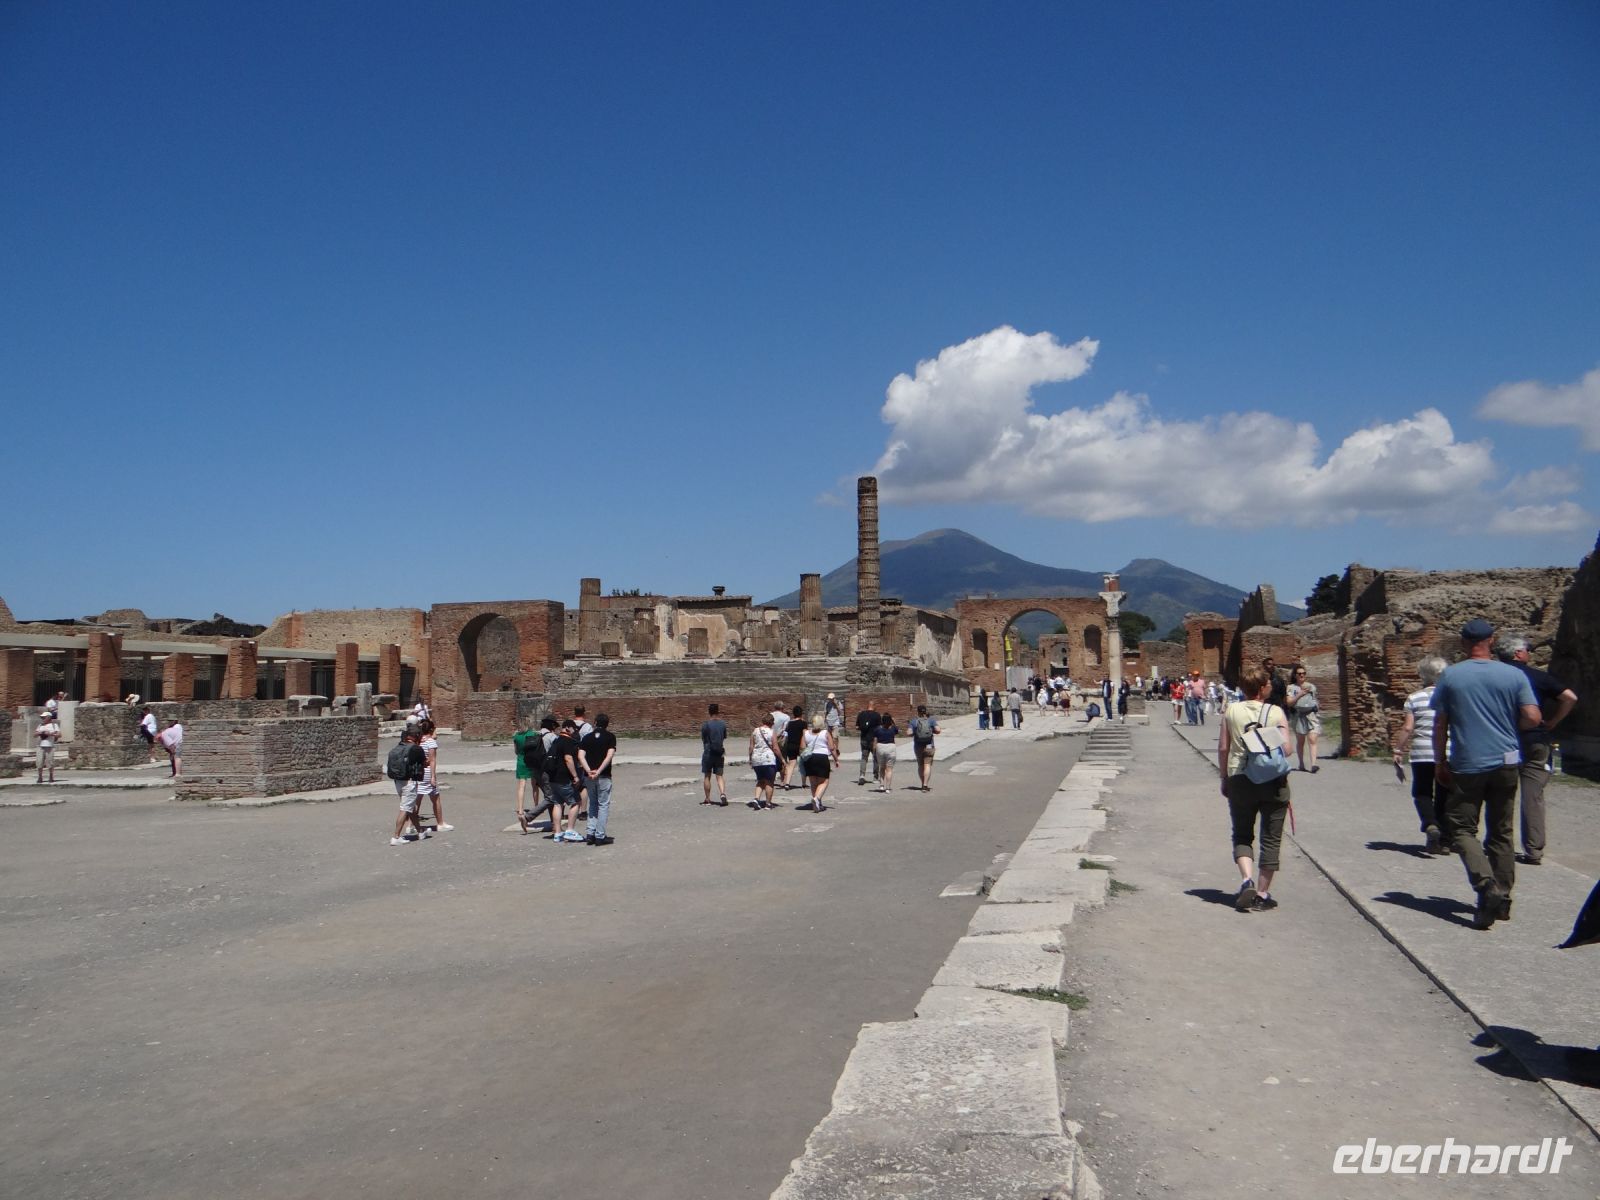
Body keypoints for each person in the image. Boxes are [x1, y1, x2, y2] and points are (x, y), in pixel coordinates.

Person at [1431, 618, 1541, 930]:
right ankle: (1504, 899)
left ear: (1464, 642)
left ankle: (1485, 886)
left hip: (1468, 763)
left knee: (1462, 829)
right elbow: (1533, 717)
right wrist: (1509, 728)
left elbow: (1440, 724)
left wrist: (1439, 761)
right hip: (1507, 761)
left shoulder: (1452, 676)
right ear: (1492, 641)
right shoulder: (1512, 674)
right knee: (1502, 831)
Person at [1496, 634, 1580, 866]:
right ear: (1518, 653)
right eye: (1527, 649)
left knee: (1500, 792)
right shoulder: (1536, 676)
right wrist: (1553, 721)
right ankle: (1533, 849)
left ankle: (1497, 843)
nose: (1529, 653)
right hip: (1534, 739)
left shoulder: (1492, 676)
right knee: (1532, 796)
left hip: (1501, 740)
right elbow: (1570, 697)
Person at [1216, 665, 1292, 912]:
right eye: (1268, 683)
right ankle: (1261, 894)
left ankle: (1246, 879)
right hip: (1272, 780)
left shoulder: (1231, 711)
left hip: (1240, 777)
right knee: (1271, 838)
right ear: (1261, 688)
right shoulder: (1276, 712)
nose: (1271, 686)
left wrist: (1225, 778)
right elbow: (1288, 750)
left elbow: (1224, 749)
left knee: (1242, 834)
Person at [1391, 656, 1451, 854]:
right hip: (1448, 751)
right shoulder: (1453, 698)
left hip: (1422, 752)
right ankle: (1442, 840)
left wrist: (1398, 749)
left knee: (1423, 792)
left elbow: (1408, 728)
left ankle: (1430, 825)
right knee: (1445, 794)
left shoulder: (1415, 698)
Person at [579, 713, 617, 845]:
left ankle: (590, 833)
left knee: (593, 803)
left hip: (589, 776)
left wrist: (589, 770)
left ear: (594, 723)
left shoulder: (587, 738)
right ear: (607, 724)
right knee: (603, 805)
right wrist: (599, 771)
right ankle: (600, 835)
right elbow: (609, 756)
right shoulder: (610, 737)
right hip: (604, 775)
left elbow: (581, 756)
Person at [546, 718, 585, 841]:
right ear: (568, 728)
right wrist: (575, 776)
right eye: (574, 729)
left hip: (553, 778)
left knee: (558, 804)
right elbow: (568, 759)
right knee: (575, 802)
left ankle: (557, 832)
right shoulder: (568, 741)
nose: (575, 732)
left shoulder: (556, 741)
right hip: (564, 778)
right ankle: (570, 830)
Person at [389, 729, 430, 845]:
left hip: (398, 781)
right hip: (409, 783)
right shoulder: (415, 749)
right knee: (405, 808)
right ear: (414, 737)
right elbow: (425, 762)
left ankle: (420, 831)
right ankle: (396, 837)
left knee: (411, 808)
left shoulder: (398, 747)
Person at [416, 720, 452, 833]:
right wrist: (433, 777)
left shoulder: (418, 741)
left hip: (417, 773)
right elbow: (432, 761)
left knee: (417, 800)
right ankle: (440, 823)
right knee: (436, 799)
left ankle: (411, 825)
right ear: (431, 730)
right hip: (426, 773)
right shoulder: (431, 742)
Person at [1285, 665, 1321, 772]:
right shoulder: (1291, 688)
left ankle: (1314, 764)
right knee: (1301, 741)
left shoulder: (1311, 686)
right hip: (1298, 715)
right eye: (1299, 673)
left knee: (1312, 739)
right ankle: (1301, 763)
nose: (1302, 675)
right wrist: (1299, 695)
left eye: (1303, 673)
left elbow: (1315, 699)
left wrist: (1316, 706)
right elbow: (1289, 703)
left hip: (1311, 715)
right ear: (1295, 675)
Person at [800, 715, 838, 812]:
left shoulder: (806, 733)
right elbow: (831, 747)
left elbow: (802, 747)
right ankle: (816, 798)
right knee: (824, 781)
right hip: (821, 758)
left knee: (813, 782)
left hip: (810, 758)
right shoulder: (825, 733)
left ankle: (817, 803)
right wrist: (836, 759)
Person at [513, 715, 544, 831]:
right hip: (532, 760)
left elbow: (516, 751)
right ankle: (536, 808)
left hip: (521, 761)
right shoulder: (533, 734)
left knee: (521, 786)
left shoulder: (516, 736)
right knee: (535, 786)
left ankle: (520, 810)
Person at [749, 712, 781, 810]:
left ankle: (756, 799)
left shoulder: (755, 731)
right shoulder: (772, 732)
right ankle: (768, 803)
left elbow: (751, 747)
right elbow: (775, 748)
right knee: (769, 782)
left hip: (756, 759)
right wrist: (782, 758)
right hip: (768, 759)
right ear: (772, 722)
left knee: (760, 780)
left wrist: (750, 758)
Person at [700, 703, 729, 806]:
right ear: (718, 711)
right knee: (719, 776)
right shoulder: (722, 724)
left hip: (708, 753)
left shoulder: (705, 725)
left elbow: (703, 738)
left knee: (707, 776)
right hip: (719, 752)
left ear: (709, 712)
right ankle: (722, 793)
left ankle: (708, 799)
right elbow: (724, 737)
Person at [908, 705, 940, 791]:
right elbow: (938, 730)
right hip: (929, 745)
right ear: (925, 711)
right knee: (927, 765)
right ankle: (925, 785)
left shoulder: (914, 721)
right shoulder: (931, 720)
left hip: (918, 746)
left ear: (917, 712)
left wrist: (915, 732)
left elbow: (908, 733)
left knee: (921, 765)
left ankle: (922, 783)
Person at [778, 704, 805, 791]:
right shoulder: (803, 723)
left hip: (790, 745)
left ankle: (787, 783)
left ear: (793, 714)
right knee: (803, 764)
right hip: (800, 745)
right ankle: (803, 783)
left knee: (791, 764)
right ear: (801, 714)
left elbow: (785, 733)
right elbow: (804, 735)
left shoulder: (789, 723)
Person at [854, 703, 882, 784]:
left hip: (864, 739)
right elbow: (879, 727)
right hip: (874, 739)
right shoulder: (877, 715)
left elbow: (856, 727)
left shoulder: (861, 714)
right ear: (873, 706)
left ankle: (862, 775)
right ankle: (875, 777)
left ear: (868, 706)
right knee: (875, 758)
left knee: (864, 758)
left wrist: (863, 728)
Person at [873, 712, 899, 792]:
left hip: (880, 747)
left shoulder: (877, 729)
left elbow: (875, 741)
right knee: (889, 769)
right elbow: (896, 729)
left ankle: (881, 785)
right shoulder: (893, 729)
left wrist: (874, 750)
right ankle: (888, 787)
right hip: (891, 747)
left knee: (882, 767)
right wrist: (893, 721)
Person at [35, 710, 61, 784]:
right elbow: (35, 734)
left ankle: (51, 776)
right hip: (40, 746)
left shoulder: (54, 725)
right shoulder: (40, 725)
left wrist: (50, 734)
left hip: (50, 746)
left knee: (50, 762)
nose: (42, 719)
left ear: (48, 718)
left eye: (44, 717)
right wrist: (40, 732)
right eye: (42, 717)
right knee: (39, 762)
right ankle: (40, 777)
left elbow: (59, 735)